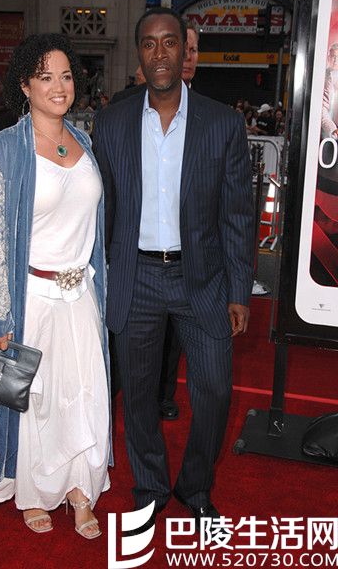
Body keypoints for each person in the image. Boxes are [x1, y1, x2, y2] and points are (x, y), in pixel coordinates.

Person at [93, 8, 254, 531]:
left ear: (186, 51)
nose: (160, 53)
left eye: (169, 43)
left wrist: (239, 290)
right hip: (136, 277)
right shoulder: (113, 122)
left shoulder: (223, 123)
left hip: (201, 279)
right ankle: (150, 486)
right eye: (149, 44)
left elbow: (237, 214)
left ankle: (195, 486)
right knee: (138, 395)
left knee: (216, 391)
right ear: (139, 55)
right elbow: (102, 209)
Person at [0, 33, 111, 537]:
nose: (59, 86)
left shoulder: (85, 143)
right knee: (37, 402)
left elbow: (94, 230)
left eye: (66, 76)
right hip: (32, 300)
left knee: (84, 396)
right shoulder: (3, 151)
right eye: (46, 77)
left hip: (81, 297)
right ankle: (35, 491)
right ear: (24, 85)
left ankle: (79, 489)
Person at [158, 21, 200, 421]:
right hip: (144, 253)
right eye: (180, 48)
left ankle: (166, 394)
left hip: (189, 254)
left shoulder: (209, 116)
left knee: (176, 337)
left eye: (192, 50)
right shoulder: (129, 108)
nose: (186, 57)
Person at [321, 42, 338, 139]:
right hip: (331, 130)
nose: (336, 60)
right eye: (333, 56)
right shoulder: (328, 76)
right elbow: (323, 108)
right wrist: (333, 129)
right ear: (329, 57)